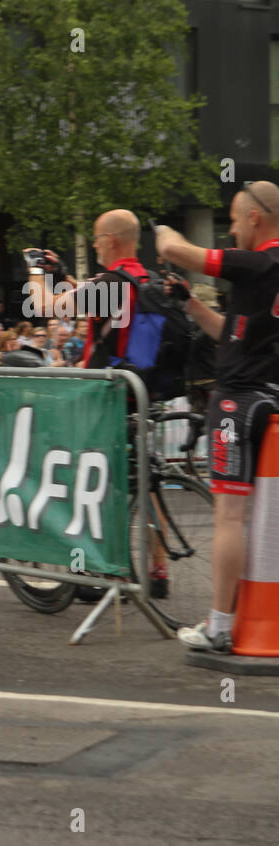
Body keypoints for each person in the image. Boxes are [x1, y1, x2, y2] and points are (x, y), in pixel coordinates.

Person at [154, 180, 279, 652]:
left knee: (229, 515)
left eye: (233, 217)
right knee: (259, 516)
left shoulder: (257, 261)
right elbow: (232, 334)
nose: (229, 228)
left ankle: (219, 625)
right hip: (266, 394)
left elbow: (176, 249)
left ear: (255, 218)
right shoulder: (267, 273)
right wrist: (189, 303)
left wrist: (163, 230)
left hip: (238, 400)